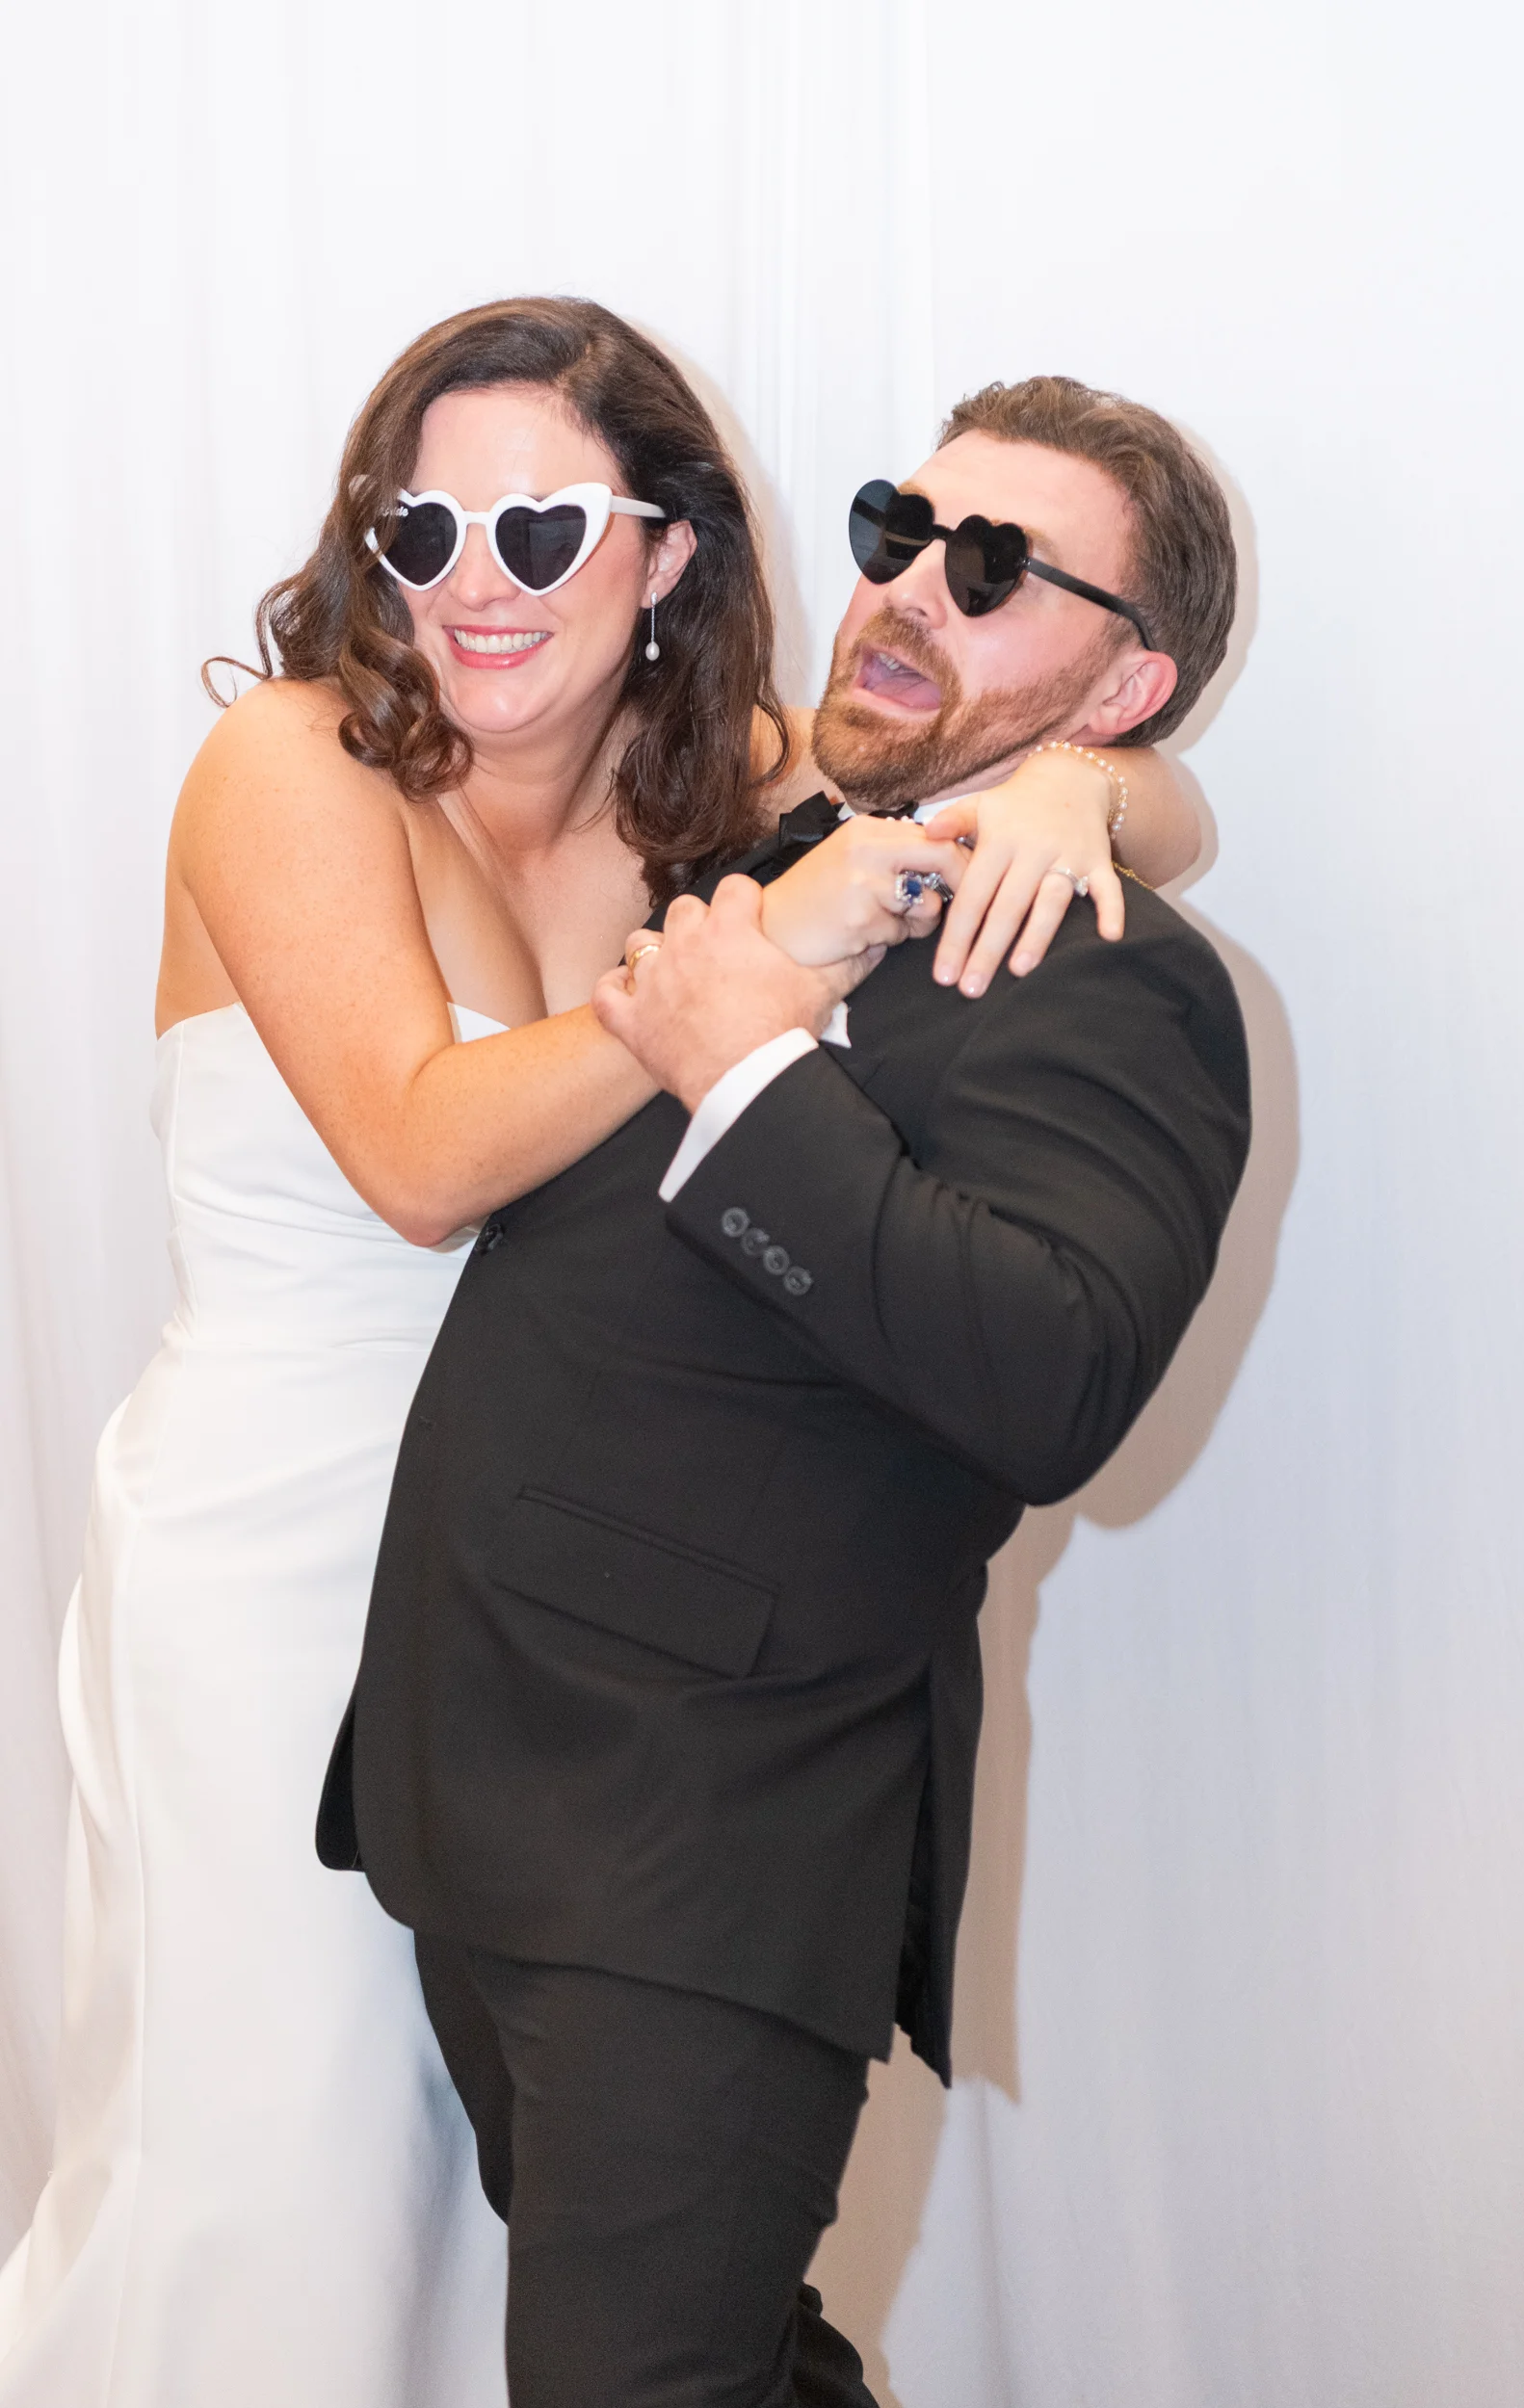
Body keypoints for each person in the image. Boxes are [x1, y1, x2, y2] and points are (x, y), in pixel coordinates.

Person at [0, 300, 1197, 2408]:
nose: (476, 582)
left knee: (502, 2254)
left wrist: (1087, 794)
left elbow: (1039, 770)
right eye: (423, 529)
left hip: (543, 1633)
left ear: (663, 553)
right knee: (265, 2179)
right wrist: (746, 967)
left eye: (542, 531)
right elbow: (415, 1153)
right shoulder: (293, 761)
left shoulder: (702, 787)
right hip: (274, 1575)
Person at [330, 371, 1253, 2408]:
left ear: (1124, 682)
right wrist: (1068, 781)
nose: (912, 587)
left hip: (710, 1845)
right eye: (898, 532)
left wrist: (747, 1065)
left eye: (995, 568)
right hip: (489, 1786)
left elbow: (1052, 1381)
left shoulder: (1122, 977)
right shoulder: (765, 842)